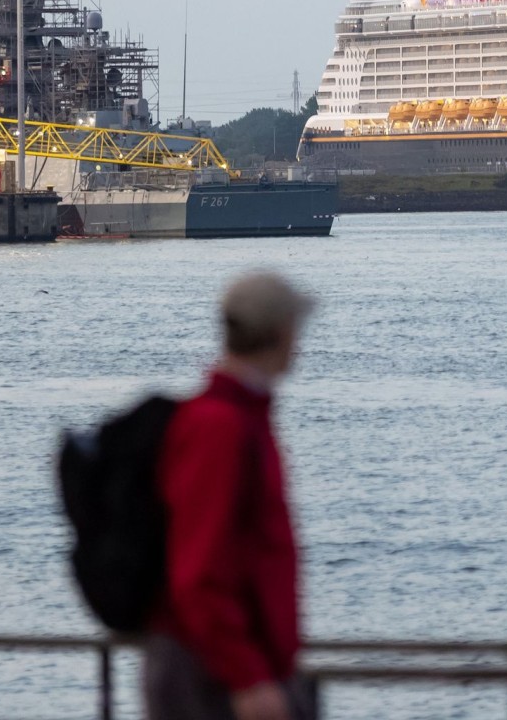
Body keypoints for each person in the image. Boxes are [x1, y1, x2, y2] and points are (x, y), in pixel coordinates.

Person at [144, 272, 316, 720]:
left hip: (242, 664)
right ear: (279, 334)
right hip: (217, 675)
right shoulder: (220, 426)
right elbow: (199, 571)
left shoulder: (239, 417)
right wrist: (247, 678)